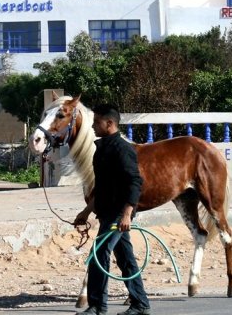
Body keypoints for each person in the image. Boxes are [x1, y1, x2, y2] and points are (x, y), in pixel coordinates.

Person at [74, 104, 151, 315]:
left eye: (97, 123)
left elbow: (135, 182)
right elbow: (101, 187)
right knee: (126, 258)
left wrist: (127, 213)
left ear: (110, 123)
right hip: (106, 211)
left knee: (98, 253)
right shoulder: (101, 149)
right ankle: (141, 304)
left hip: (119, 213)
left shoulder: (122, 149)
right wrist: (86, 211)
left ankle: (98, 306)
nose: (92, 126)